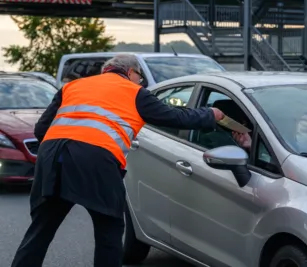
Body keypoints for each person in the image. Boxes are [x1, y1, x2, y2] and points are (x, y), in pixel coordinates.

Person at [11, 54, 225, 267]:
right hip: (95, 159)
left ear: (107, 70)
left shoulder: (72, 87)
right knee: (109, 232)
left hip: (51, 157)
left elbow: (41, 129)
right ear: (131, 72)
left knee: (40, 231)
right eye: (139, 78)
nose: (139, 82)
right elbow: (176, 117)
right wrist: (210, 114)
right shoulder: (135, 92)